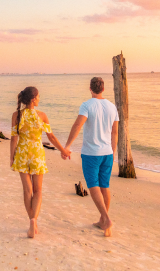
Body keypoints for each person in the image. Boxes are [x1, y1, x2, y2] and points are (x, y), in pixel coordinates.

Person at [10, 86, 70, 238]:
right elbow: (51, 137)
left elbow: (14, 137)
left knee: (27, 191)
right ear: (33, 99)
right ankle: (34, 221)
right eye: (38, 97)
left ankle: (31, 221)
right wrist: (63, 150)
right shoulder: (42, 115)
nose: (39, 99)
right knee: (38, 191)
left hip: (22, 154)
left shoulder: (16, 115)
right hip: (37, 154)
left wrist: (11, 157)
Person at [63, 77, 119, 237]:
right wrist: (113, 152)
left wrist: (67, 146)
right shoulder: (112, 107)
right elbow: (115, 132)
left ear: (90, 89)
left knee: (93, 184)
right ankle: (103, 220)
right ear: (103, 89)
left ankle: (106, 219)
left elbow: (78, 125)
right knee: (104, 185)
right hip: (107, 153)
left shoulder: (87, 105)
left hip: (91, 153)